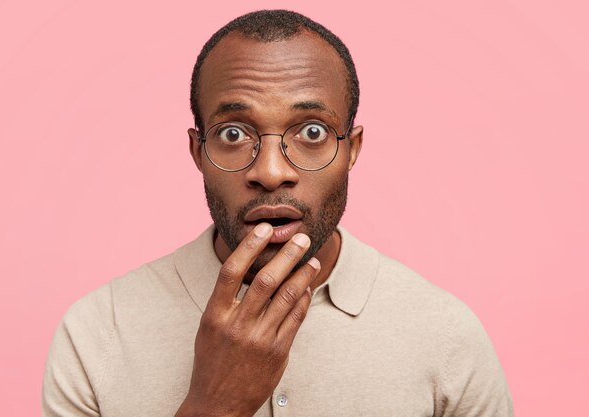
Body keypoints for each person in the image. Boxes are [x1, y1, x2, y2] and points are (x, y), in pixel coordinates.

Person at [42, 9, 514, 417]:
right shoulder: (97, 332)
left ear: (353, 150)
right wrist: (214, 406)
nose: (270, 172)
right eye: (233, 134)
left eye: (311, 132)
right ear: (196, 151)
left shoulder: (446, 334)